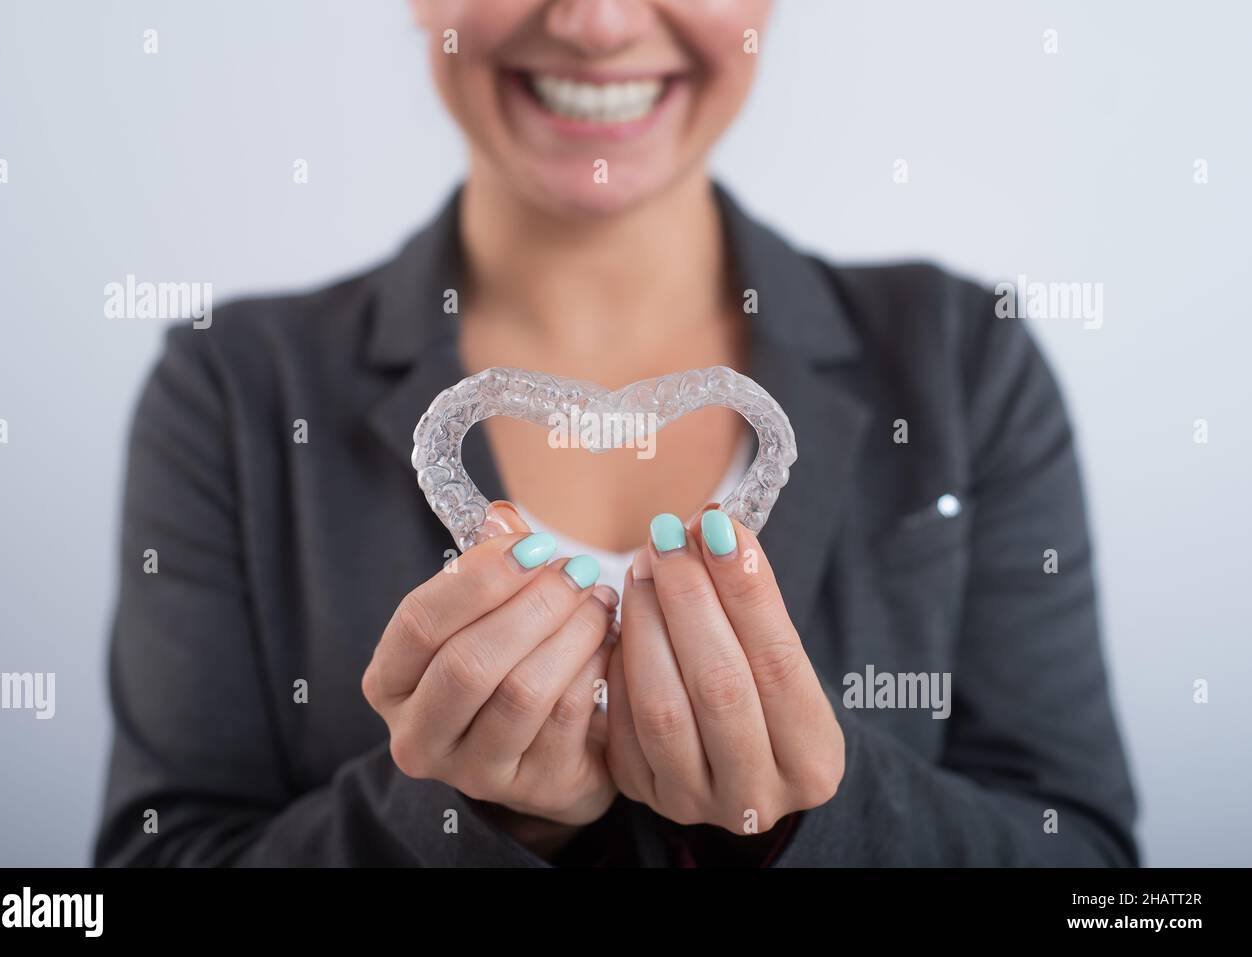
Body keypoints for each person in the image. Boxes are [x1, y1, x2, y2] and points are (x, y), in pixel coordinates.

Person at [94, 0, 1137, 866]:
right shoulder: (234, 387)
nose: (595, 25)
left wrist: (819, 814)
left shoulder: (961, 360)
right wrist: (459, 820)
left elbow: (1094, 877)